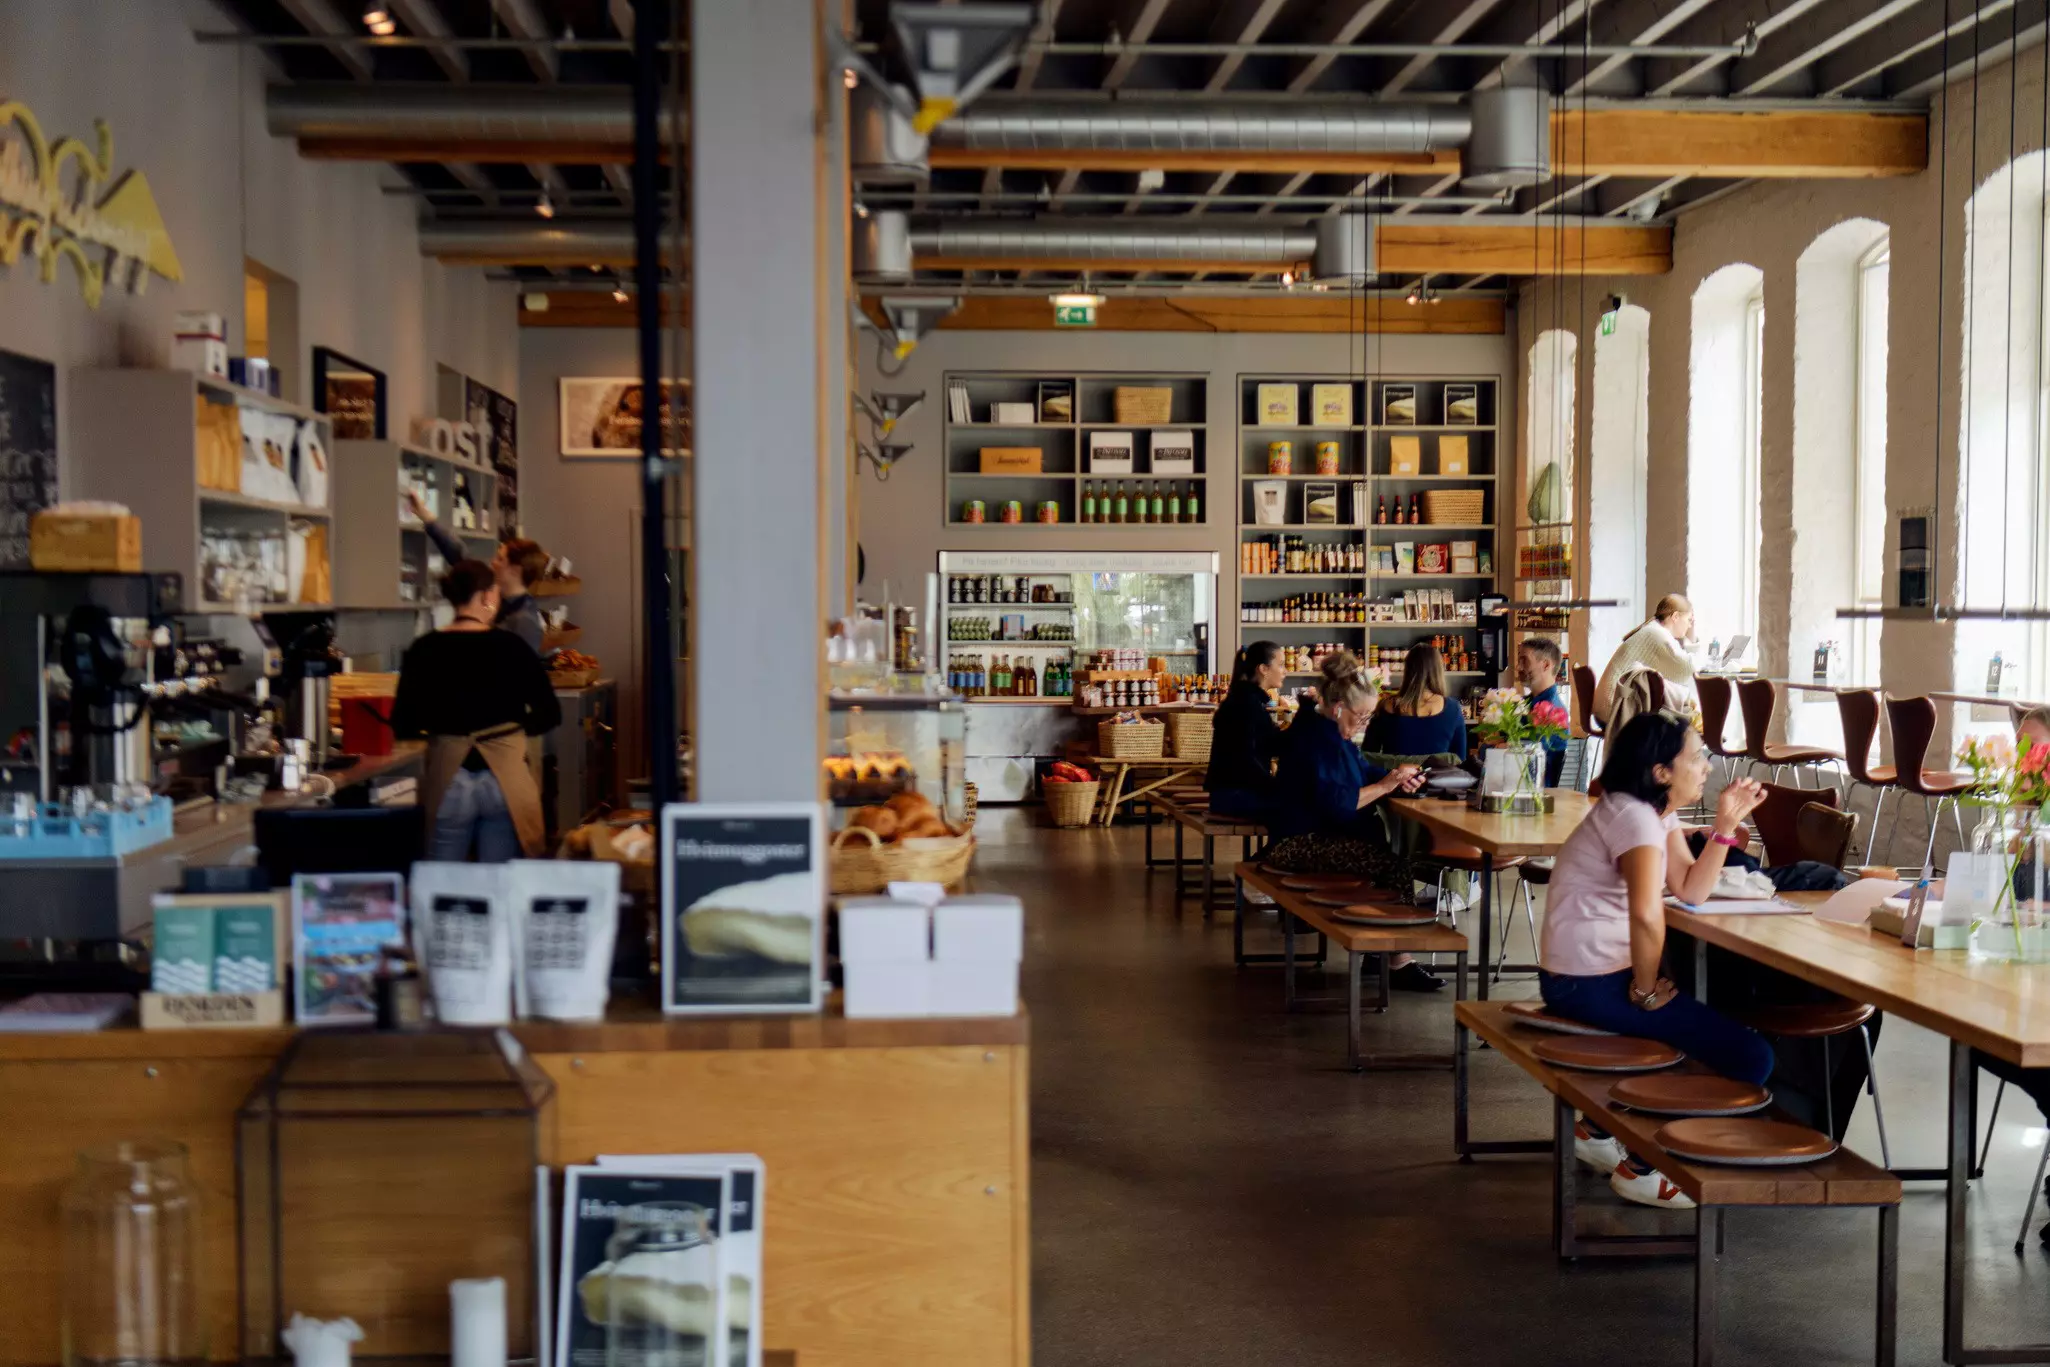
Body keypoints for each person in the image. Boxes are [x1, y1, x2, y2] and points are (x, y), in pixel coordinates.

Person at [1540, 710, 1774, 1209]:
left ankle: (1602, 1128)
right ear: (1661, 771)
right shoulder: (1636, 819)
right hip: (1587, 981)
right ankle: (1647, 1167)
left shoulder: (1651, 813)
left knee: (1704, 1035)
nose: (1707, 766)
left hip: (1585, 973)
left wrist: (1726, 826)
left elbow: (1691, 890)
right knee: (1750, 1056)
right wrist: (1645, 990)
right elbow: (1647, 916)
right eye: (1697, 757)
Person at [1264, 650, 1438, 991]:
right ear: (1338, 706)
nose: (1364, 725)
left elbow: (1359, 772)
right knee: (1393, 865)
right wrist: (1386, 785)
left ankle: (1383, 950)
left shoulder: (1328, 731)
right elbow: (1340, 805)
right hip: (1297, 844)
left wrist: (1393, 775)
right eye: (1361, 717)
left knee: (1388, 857)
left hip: (1311, 835)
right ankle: (1396, 958)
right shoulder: (1316, 740)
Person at [389, 560, 563, 862]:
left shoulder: (424, 649)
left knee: (444, 883)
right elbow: (550, 713)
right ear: (487, 597)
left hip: (449, 779)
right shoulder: (511, 646)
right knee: (497, 885)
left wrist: (442, 731)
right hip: (504, 782)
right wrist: (512, 732)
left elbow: (403, 722)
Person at [1970, 703, 2050, 1243]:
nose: (2025, 758)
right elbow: (1996, 899)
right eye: (2020, 746)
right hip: (2022, 982)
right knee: (1982, 1040)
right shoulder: (2017, 820)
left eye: (2036, 748)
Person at [408, 488, 549, 655]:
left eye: (500, 559)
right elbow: (461, 557)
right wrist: (428, 518)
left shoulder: (524, 623)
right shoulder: (504, 604)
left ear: (515, 570)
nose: (492, 562)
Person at [1206, 641, 1286, 822]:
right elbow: (1244, 758)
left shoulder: (1249, 700)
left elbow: (1271, 745)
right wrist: (1274, 786)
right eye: (1280, 665)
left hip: (1234, 793)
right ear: (1263, 669)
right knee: (1302, 808)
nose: (1284, 671)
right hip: (1234, 796)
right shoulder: (1245, 704)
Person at [1594, 594, 1697, 728]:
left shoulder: (1653, 629)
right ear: (1675, 617)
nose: (1690, 625)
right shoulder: (1658, 634)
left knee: (1676, 711)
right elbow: (1686, 669)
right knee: (1680, 719)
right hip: (1614, 711)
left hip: (1610, 707)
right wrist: (1693, 637)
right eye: (1689, 620)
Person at [1363, 642, 1468, 762]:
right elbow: (1460, 760)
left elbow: (1368, 757)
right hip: (1436, 780)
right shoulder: (1452, 709)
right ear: (1438, 670)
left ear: (1407, 669)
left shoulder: (1385, 706)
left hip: (1393, 780)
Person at [1518, 636, 1571, 788]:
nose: (1518, 667)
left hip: (1533, 795)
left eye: (1524, 660)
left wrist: (1498, 746)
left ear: (1546, 665)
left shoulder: (1552, 710)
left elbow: (1527, 757)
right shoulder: (1526, 703)